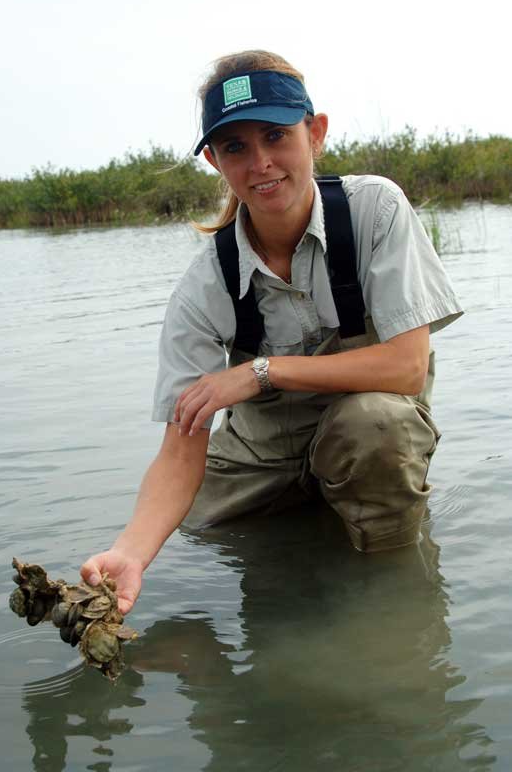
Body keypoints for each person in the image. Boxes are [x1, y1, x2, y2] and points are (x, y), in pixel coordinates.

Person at [81, 49, 463, 614]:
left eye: (275, 135)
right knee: (204, 540)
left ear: (316, 133)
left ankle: (391, 599)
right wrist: (131, 551)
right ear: (215, 161)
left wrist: (260, 372)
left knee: (375, 425)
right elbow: (181, 445)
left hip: (367, 440)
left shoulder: (375, 210)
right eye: (236, 147)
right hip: (259, 460)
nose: (260, 162)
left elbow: (405, 367)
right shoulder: (204, 284)